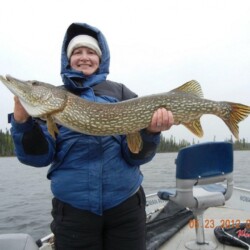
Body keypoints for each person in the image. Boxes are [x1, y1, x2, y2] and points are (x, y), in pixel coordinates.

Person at [10, 23, 174, 250]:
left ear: (101, 58)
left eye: (91, 52)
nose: (84, 57)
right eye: (77, 52)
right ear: (68, 59)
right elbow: (38, 158)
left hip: (125, 207)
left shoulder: (121, 93)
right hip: (74, 213)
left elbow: (135, 156)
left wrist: (151, 132)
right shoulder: (53, 102)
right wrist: (22, 123)